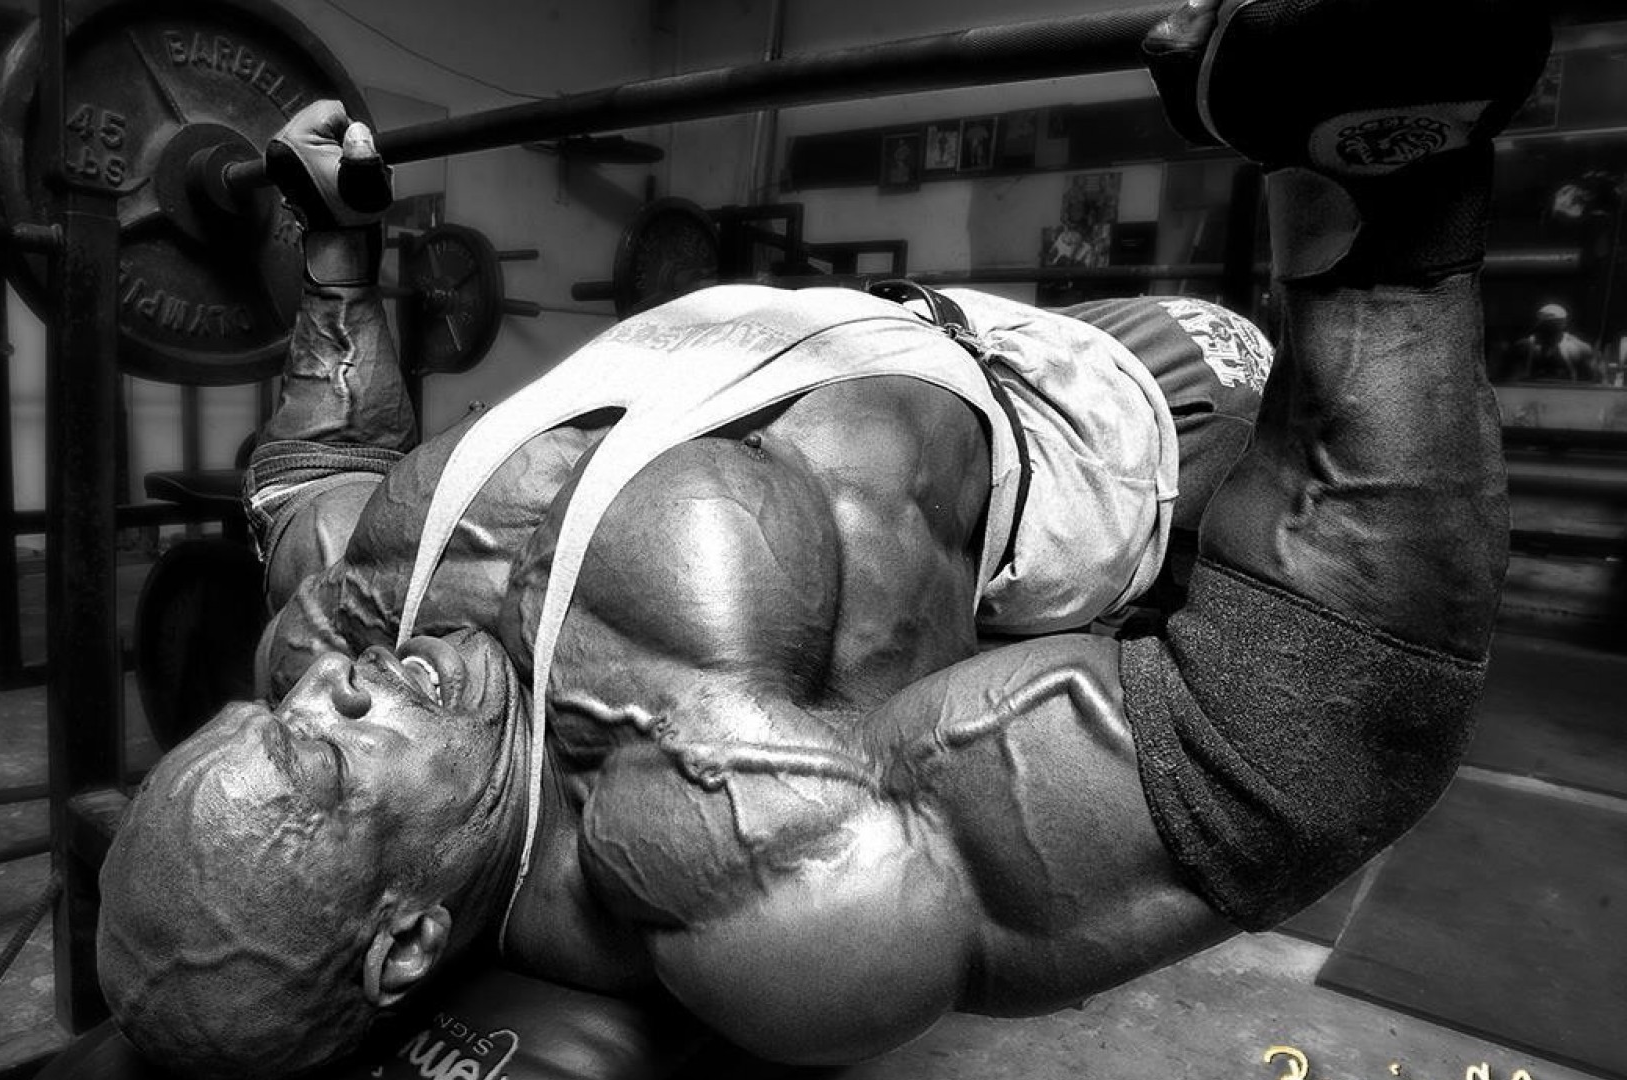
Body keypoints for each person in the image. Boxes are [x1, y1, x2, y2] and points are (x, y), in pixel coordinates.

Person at [93, 1, 1544, 1078]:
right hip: (1114, 399)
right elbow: (1301, 739)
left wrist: (335, 245)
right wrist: (1379, 197)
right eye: (317, 760)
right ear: (408, 937)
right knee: (1263, 351)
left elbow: (319, 466)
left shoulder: (338, 627)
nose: (321, 691)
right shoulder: (713, 832)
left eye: (261, 714)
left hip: (883, 324)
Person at [1502, 302, 1599, 382]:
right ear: (1538, 325)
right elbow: (1506, 380)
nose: (1550, 330)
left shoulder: (1579, 348)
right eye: (1546, 326)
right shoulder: (1523, 347)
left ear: (1563, 324)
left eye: (1554, 325)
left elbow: (1593, 381)